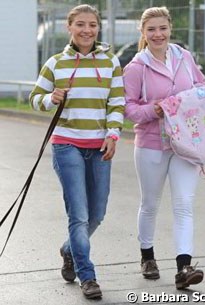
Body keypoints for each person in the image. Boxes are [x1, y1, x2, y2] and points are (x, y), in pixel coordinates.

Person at [29, 4, 125, 299]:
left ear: (98, 28)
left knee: (97, 213)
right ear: (68, 28)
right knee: (79, 215)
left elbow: (117, 103)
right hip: (66, 145)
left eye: (92, 25)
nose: (87, 30)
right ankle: (87, 276)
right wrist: (50, 99)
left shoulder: (110, 62)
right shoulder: (56, 63)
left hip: (99, 146)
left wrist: (113, 133)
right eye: (80, 24)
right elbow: (35, 98)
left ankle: (69, 249)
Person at [123, 6, 205, 289]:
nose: (158, 34)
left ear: (170, 29)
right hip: (151, 145)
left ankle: (184, 267)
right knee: (150, 204)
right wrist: (155, 110)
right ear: (143, 34)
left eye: (162, 28)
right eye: (151, 30)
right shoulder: (135, 68)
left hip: (186, 143)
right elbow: (128, 108)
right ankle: (147, 257)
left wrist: (190, 102)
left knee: (184, 204)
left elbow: (201, 86)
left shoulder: (184, 57)